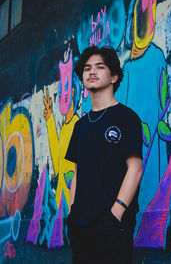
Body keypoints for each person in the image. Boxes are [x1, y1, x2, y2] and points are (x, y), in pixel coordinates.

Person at [65, 45, 143, 264]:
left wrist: (115, 213)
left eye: (100, 67)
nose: (92, 72)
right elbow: (78, 172)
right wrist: (73, 213)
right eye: (87, 68)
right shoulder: (80, 126)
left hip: (112, 223)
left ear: (114, 76)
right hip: (80, 224)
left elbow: (135, 169)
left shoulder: (126, 118)